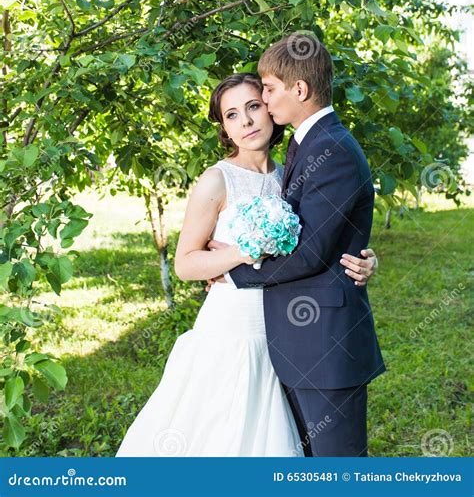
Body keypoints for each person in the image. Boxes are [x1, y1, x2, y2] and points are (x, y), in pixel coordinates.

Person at [116, 41, 379, 457]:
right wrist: (238, 256)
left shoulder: (289, 170)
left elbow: (320, 236)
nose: (247, 121)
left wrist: (362, 254)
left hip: (290, 333)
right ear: (224, 126)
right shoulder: (217, 181)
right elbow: (186, 263)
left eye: (255, 105)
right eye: (231, 115)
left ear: (273, 104)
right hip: (235, 329)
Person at [209, 33, 386, 456]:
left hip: (325, 347)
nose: (263, 104)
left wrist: (232, 270)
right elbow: (320, 231)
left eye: (267, 92)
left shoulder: (332, 149)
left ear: (299, 90)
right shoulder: (305, 143)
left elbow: (309, 251)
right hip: (298, 342)